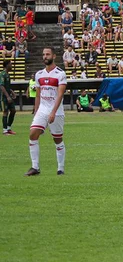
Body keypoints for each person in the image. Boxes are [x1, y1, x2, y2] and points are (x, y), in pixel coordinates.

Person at [26, 47, 67, 176]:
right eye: (43, 54)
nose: (45, 56)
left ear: (54, 56)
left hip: (56, 111)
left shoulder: (60, 74)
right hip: (43, 110)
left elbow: (60, 95)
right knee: (33, 134)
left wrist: (53, 112)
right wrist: (36, 111)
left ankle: (60, 168)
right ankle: (35, 167)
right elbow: (38, 95)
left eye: (47, 54)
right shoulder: (39, 74)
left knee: (57, 139)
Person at [1, 61, 15, 134]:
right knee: (5, 112)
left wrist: (12, 92)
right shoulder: (2, 74)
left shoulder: (7, 75)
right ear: (7, 65)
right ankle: (4, 130)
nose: (11, 66)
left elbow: (7, 86)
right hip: (4, 97)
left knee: (13, 111)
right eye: (10, 64)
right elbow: (1, 86)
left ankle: (9, 128)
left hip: (8, 96)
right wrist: (7, 96)